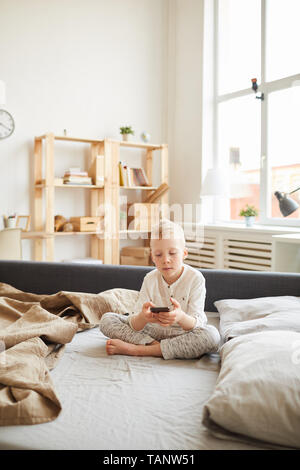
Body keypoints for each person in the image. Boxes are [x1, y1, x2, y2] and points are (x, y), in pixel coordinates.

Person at [99, 219, 220, 360]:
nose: (166, 260)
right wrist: (143, 317)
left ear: (184, 253)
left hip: (182, 334)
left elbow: (195, 324)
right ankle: (152, 345)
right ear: (152, 257)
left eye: (173, 253)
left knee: (212, 336)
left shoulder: (196, 279)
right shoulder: (150, 279)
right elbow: (135, 324)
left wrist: (180, 317)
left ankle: (138, 350)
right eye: (158, 255)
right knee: (107, 320)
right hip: (151, 332)